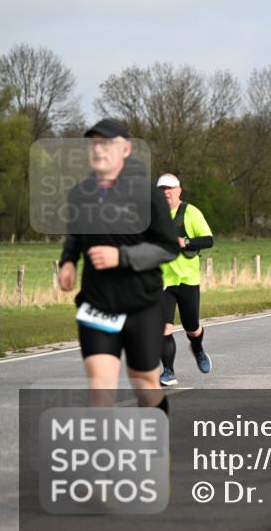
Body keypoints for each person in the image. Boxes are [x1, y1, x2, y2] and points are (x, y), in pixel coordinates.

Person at [57, 118, 179, 413]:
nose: (99, 150)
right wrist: (69, 262)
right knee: (100, 389)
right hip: (98, 303)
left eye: (107, 144)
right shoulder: (80, 193)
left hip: (142, 304)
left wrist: (121, 257)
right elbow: (75, 234)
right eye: (94, 144)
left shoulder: (147, 193)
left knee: (145, 384)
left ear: (125, 149)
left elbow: (168, 247)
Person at [156, 173, 214, 387]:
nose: (166, 193)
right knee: (163, 328)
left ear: (179, 190)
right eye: (162, 189)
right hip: (163, 282)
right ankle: (168, 372)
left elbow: (209, 240)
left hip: (188, 280)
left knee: (192, 328)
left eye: (170, 188)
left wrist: (185, 241)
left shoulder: (191, 213)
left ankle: (197, 347)